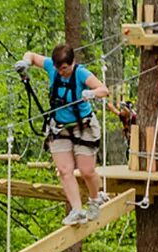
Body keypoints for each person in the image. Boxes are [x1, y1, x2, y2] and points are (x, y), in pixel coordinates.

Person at [15, 44, 110, 225]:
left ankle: (95, 197)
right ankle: (76, 210)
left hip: (83, 126)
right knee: (65, 171)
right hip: (59, 127)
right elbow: (32, 56)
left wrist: (91, 93)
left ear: (72, 63)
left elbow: (104, 90)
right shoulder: (52, 66)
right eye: (59, 69)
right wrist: (26, 62)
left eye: (64, 68)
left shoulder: (80, 73)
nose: (61, 72)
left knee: (86, 171)